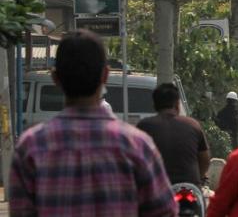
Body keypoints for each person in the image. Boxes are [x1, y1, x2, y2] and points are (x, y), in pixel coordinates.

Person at [8, 30, 177, 216]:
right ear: (105, 75)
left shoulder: (30, 146)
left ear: (55, 79)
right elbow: (164, 211)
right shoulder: (137, 145)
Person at [137, 82, 211, 186]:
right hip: (189, 189)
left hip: (157, 189)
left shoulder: (144, 126)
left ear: (154, 105)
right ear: (177, 105)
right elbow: (205, 160)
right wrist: (199, 178)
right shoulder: (193, 125)